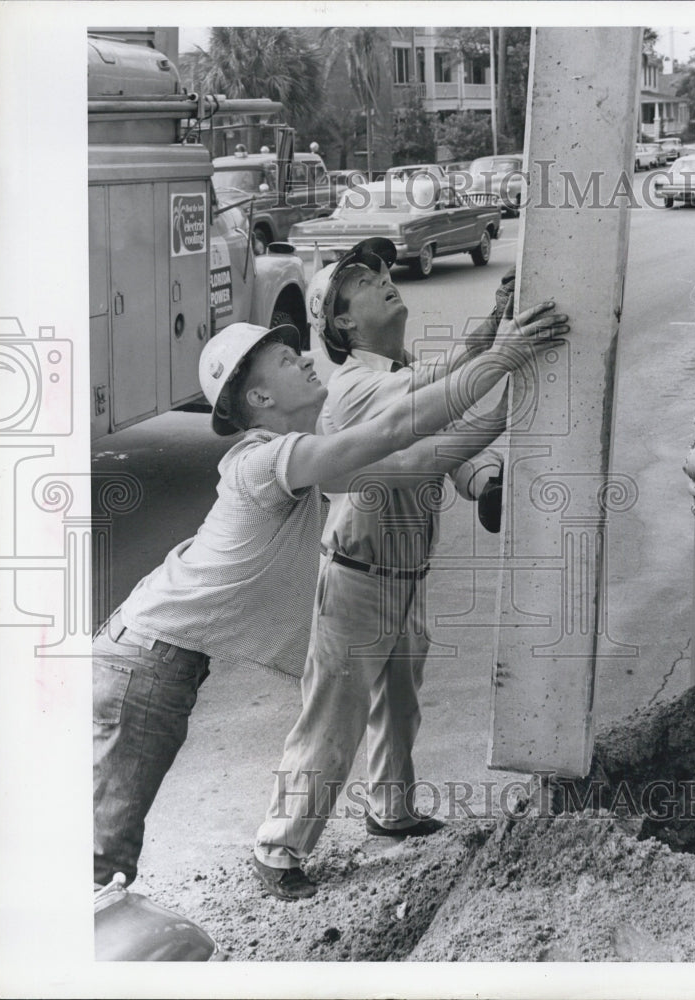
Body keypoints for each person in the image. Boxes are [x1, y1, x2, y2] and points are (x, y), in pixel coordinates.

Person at [93, 305, 567, 889]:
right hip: (143, 659)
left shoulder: (301, 454)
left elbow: (412, 461)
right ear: (261, 399)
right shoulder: (265, 461)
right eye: (289, 362)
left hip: (159, 658)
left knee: (105, 852)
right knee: (101, 858)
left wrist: (506, 411)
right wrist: (504, 357)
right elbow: (394, 428)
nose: (308, 360)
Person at [253, 239, 569, 900]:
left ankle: (390, 811)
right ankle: (278, 848)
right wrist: (508, 370)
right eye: (365, 281)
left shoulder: (396, 369)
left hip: (403, 575)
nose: (384, 281)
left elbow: (439, 385)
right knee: (331, 718)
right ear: (341, 322)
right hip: (359, 577)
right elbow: (437, 401)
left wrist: (495, 323)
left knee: (399, 705)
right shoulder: (355, 387)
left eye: (381, 272)